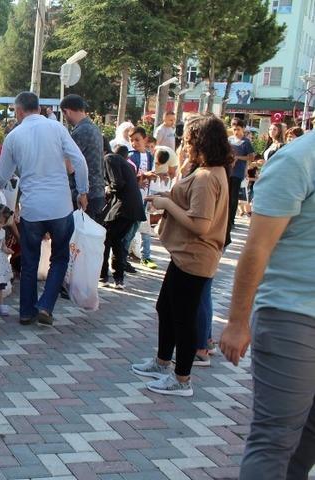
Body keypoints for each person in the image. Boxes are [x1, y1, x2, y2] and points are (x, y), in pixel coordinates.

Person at [218, 133, 315, 480]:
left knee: (308, 441)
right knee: (275, 438)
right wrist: (237, 321)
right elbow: (256, 247)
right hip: (291, 316)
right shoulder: (299, 159)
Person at [131, 113, 230, 397]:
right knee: (166, 308)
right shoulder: (208, 171)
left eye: (188, 140)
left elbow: (200, 224)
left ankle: (182, 378)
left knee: (183, 318)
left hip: (195, 256)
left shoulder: (207, 177)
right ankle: (163, 362)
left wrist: (166, 204)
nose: (184, 146)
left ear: (202, 142)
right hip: (186, 254)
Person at [0, 92, 88, 327]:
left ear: (18, 111)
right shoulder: (57, 129)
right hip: (60, 206)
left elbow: (3, 176)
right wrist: (83, 192)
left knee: (29, 261)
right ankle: (46, 304)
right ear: (38, 107)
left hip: (32, 210)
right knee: (59, 258)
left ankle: (26, 312)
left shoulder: (13, 136)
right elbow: (79, 161)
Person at [99, 153, 146, 289]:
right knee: (117, 242)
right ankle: (118, 279)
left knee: (106, 239)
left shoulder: (109, 159)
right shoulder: (120, 161)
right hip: (133, 208)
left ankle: (103, 276)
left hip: (123, 208)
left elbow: (117, 183)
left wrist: (107, 189)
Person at [61, 94, 105, 223]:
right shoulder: (94, 128)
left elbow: (69, 165)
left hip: (85, 195)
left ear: (67, 111)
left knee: (78, 241)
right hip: (97, 192)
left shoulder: (80, 131)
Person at [127, 126, 158, 270]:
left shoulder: (150, 156)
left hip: (144, 197)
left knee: (140, 228)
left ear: (145, 139)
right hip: (133, 199)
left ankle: (144, 256)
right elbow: (129, 178)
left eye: (137, 140)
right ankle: (122, 258)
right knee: (130, 230)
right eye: (131, 140)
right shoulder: (131, 156)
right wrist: (143, 176)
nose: (134, 143)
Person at [227, 118, 254, 245]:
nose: (236, 131)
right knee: (225, 196)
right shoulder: (229, 140)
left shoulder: (246, 142)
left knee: (233, 198)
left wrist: (238, 157)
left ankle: (231, 220)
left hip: (237, 173)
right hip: (227, 171)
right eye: (234, 129)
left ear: (243, 129)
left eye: (238, 129)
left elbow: (251, 157)